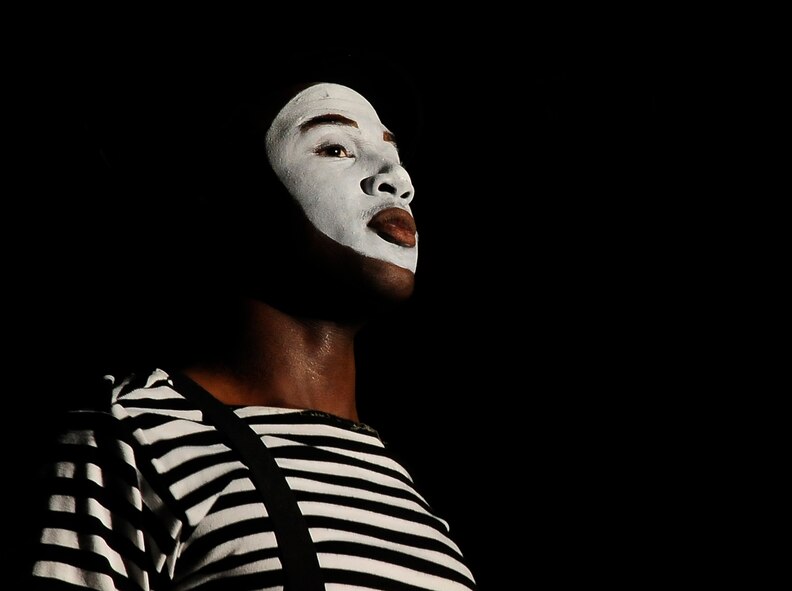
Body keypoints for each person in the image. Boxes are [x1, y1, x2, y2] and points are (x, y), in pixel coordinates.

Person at [22, 56, 478, 590]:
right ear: (230, 198)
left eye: (393, 154)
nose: (398, 181)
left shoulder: (407, 497)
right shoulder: (135, 437)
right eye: (336, 148)